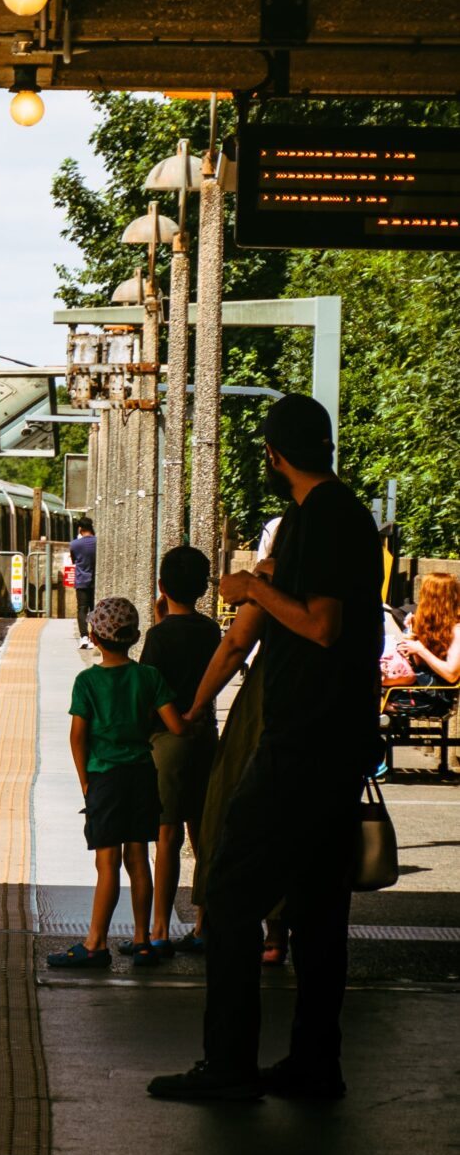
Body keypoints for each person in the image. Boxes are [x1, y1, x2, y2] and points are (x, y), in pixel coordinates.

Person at [148, 393, 383, 1104]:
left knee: (228, 891)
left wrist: (252, 582)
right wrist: (269, 582)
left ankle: (229, 1064)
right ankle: (314, 1063)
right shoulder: (349, 517)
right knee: (316, 910)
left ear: (275, 457)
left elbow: (320, 625)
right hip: (339, 739)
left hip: (301, 741)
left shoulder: (318, 518)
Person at [47, 595, 184, 971]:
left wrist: (85, 782)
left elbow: (78, 737)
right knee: (138, 858)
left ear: (93, 636)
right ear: (135, 637)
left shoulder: (87, 681)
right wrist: (194, 722)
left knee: (107, 863)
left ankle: (96, 944)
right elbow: (175, 725)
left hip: (105, 778)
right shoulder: (149, 677)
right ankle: (142, 941)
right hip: (142, 775)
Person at [138, 544, 222, 952]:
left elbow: (151, 686)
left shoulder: (158, 636)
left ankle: (159, 931)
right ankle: (204, 924)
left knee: (167, 836)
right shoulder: (211, 631)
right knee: (204, 835)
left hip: (167, 743)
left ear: (161, 586)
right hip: (204, 736)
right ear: (203, 589)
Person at [403, 569, 460, 683]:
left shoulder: (457, 629)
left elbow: (451, 675)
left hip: (438, 689)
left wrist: (420, 649)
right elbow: (419, 663)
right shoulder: (426, 623)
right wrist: (411, 633)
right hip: (421, 681)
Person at [70, 515, 96, 643]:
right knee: (95, 609)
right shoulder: (97, 542)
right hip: (95, 581)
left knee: (82, 609)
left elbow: (73, 560)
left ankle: (84, 636)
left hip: (81, 581)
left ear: (80, 529)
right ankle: (95, 635)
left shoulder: (74, 544)